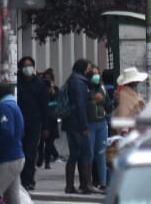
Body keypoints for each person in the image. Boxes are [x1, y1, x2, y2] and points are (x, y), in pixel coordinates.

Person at [16, 55, 50, 191]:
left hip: (34, 122)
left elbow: (45, 107)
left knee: (30, 152)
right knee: (19, 152)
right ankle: (19, 179)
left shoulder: (40, 84)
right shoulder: (17, 84)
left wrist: (46, 126)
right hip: (19, 122)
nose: (28, 68)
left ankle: (28, 179)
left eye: (30, 65)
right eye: (25, 66)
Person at [62, 58, 95, 194]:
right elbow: (81, 106)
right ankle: (86, 184)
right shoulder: (79, 83)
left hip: (71, 123)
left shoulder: (72, 80)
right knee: (86, 153)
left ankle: (70, 185)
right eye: (89, 68)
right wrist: (84, 126)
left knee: (75, 153)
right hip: (78, 124)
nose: (90, 70)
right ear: (83, 68)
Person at [89, 66, 113, 191]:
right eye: (93, 74)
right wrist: (93, 101)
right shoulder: (86, 88)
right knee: (89, 154)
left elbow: (108, 106)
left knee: (101, 154)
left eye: (97, 74)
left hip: (102, 123)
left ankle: (103, 183)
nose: (96, 76)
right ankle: (88, 182)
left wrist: (102, 100)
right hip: (90, 123)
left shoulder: (102, 88)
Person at [39, 68, 62, 169]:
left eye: (50, 78)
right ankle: (40, 159)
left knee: (49, 141)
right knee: (40, 141)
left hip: (52, 118)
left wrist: (52, 92)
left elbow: (57, 102)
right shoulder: (40, 89)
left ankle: (47, 161)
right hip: (42, 117)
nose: (47, 80)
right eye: (46, 78)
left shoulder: (55, 89)